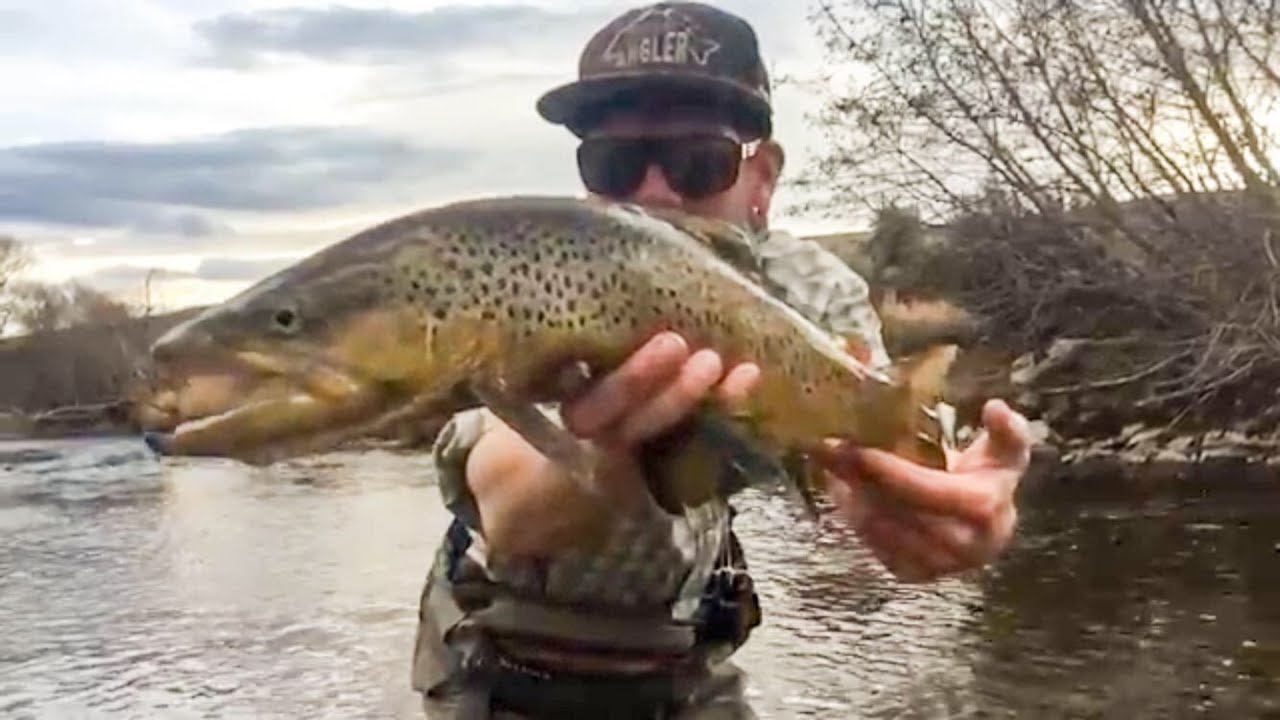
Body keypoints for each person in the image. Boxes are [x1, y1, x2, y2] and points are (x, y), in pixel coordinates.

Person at [411, 2, 1032, 718]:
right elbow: (510, 507)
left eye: (696, 161)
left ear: (760, 177)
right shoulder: (536, 272)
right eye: (614, 163)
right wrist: (614, 444)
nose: (654, 191)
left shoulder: (810, 295)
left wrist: (934, 506)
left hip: (685, 669)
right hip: (498, 667)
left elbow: (861, 470)